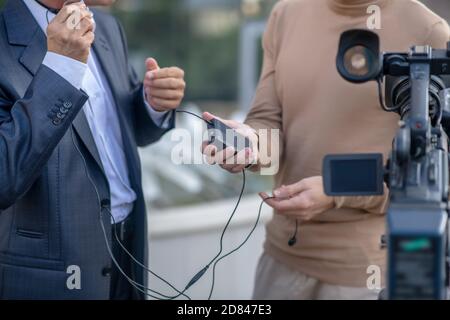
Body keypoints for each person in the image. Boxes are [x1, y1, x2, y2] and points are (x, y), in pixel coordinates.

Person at [203, 0, 450, 299]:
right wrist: (251, 147)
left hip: (365, 276)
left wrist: (336, 192)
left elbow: (434, 174)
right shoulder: (286, 13)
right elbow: (268, 120)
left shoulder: (430, 32)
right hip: (281, 259)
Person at [0, 0, 185, 299]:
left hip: (130, 250)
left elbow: (123, 131)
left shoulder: (108, 27)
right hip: (53, 278)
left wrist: (152, 104)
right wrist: (61, 67)